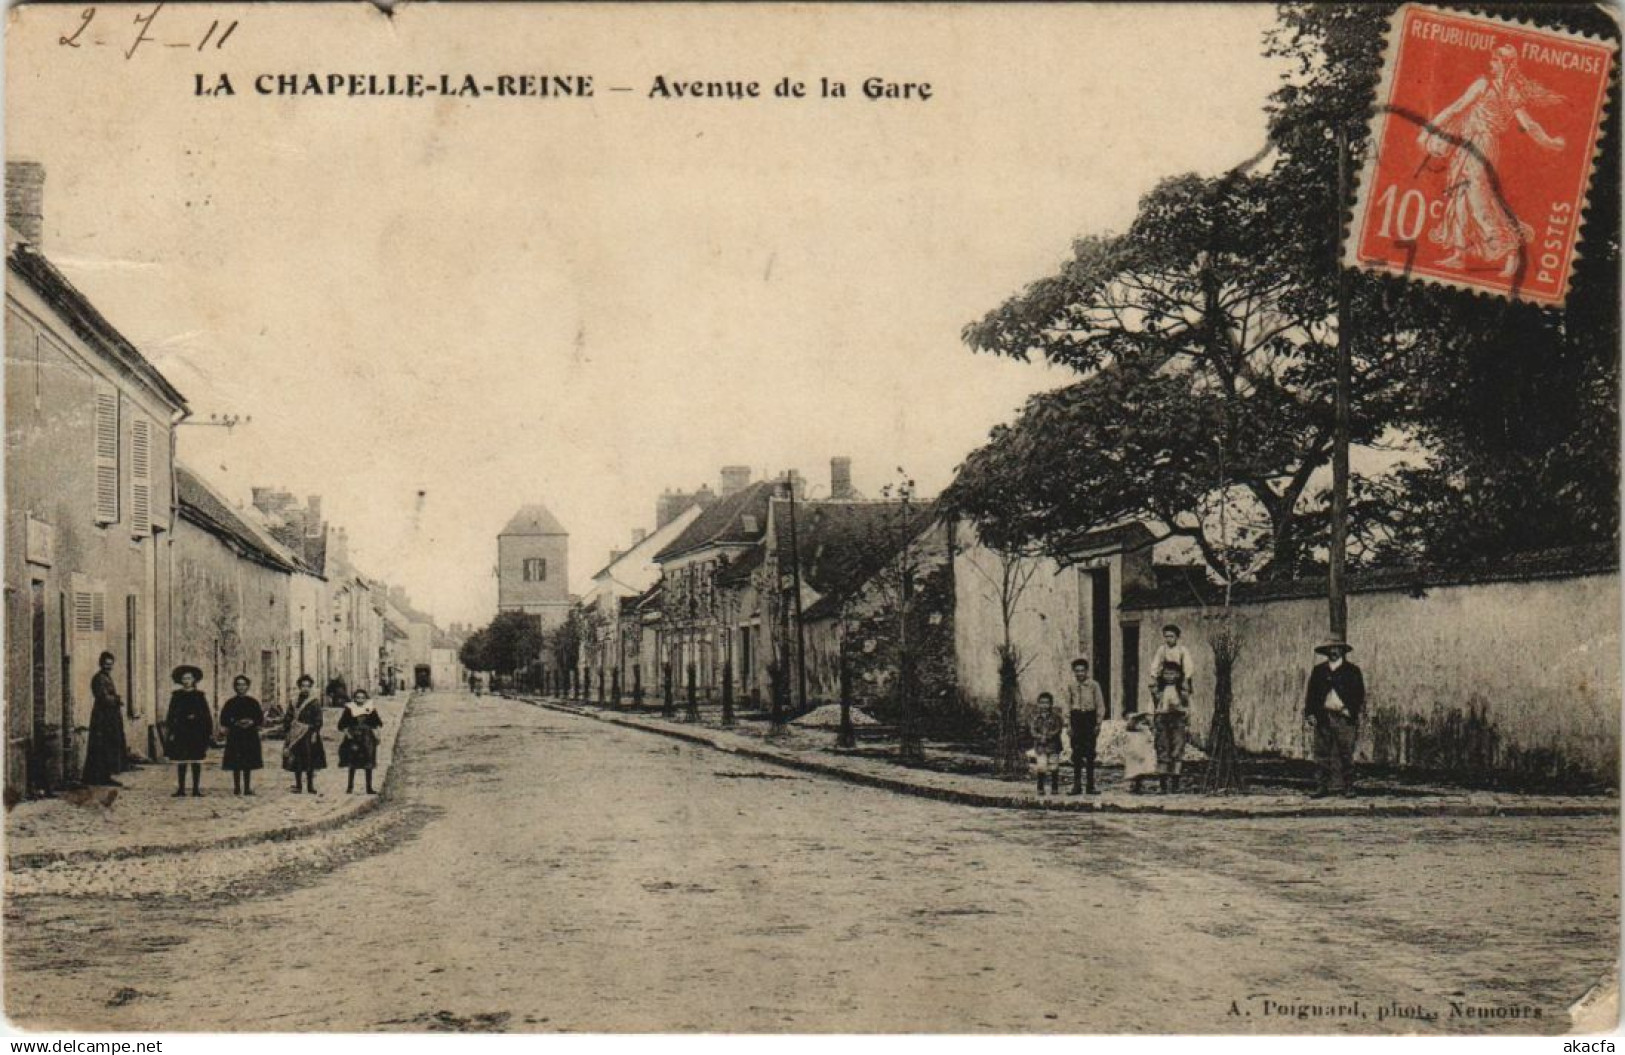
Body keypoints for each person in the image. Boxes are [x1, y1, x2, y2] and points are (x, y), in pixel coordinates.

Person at [1418, 44, 1566, 279]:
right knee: (1459, 198)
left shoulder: (1510, 92)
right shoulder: (1484, 84)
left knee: (1480, 200)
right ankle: (1458, 254)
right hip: (1466, 145)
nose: (1491, 64)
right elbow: (1457, 108)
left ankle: (1512, 250)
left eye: (1495, 61)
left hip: (1484, 147)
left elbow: (1528, 125)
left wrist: (1550, 142)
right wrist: (1430, 129)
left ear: (1505, 64)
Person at [1304, 639, 1366, 798]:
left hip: (1343, 717)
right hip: (1323, 716)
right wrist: (1310, 713)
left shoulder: (1352, 671)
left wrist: (1349, 710)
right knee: (1321, 753)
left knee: (1346, 752)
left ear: (1342, 651)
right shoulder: (1319, 671)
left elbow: (1359, 694)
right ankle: (1321, 786)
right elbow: (1311, 694)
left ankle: (1349, 786)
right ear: (1326, 651)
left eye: (1336, 648)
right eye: (1330, 648)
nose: (1333, 651)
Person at [1149, 624, 1193, 793]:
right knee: (1162, 747)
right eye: (1166, 636)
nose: (1168, 639)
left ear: (1177, 637)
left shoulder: (1182, 651)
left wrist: (1184, 680)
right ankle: (1163, 783)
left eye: (1171, 636)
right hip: (1163, 716)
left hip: (1177, 714)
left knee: (1177, 747)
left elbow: (1188, 669)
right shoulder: (1162, 650)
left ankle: (1175, 782)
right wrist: (1156, 677)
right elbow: (1155, 666)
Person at [165, 666, 213, 797]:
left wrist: (206, 728)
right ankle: (181, 789)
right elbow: (171, 713)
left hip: (196, 732)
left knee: (196, 760)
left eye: (189, 678)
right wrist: (171, 729)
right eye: (184, 678)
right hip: (182, 731)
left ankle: (196, 789)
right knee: (182, 760)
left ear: (194, 680)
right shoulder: (177, 696)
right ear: (180, 680)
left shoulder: (199, 696)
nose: (187, 681)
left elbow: (206, 714)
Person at [81, 651, 127, 787]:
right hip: (102, 718)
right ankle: (95, 777)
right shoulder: (99, 678)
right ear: (101, 663)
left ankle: (105, 776)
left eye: (111, 664)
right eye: (106, 664)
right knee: (100, 746)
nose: (109, 667)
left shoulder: (107, 677)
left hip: (110, 717)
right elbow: (103, 697)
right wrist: (117, 699)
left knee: (108, 746)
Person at [219, 675, 265, 796]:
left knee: (247, 762)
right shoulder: (230, 703)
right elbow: (224, 718)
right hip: (236, 735)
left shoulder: (253, 702)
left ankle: (247, 788)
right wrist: (235, 722)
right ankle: (237, 787)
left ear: (247, 686)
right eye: (238, 685)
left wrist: (252, 722)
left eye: (243, 685)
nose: (241, 687)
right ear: (235, 687)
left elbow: (259, 718)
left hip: (249, 735)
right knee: (236, 762)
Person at [282, 674, 327, 794]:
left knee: (310, 760)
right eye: (303, 686)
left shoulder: (314, 702)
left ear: (311, 687)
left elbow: (318, 720)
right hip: (296, 734)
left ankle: (310, 786)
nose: (305, 688)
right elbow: (288, 716)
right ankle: (298, 785)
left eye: (308, 686)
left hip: (308, 734)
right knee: (297, 760)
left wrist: (314, 731)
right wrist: (287, 730)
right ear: (299, 687)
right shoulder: (294, 701)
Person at [1066, 658, 1104, 795]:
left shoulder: (1094, 685)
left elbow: (1100, 704)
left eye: (1082, 670)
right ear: (1074, 672)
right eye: (1077, 671)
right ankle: (1076, 785)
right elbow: (1067, 705)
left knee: (1089, 753)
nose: (1080, 673)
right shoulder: (1071, 686)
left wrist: (1098, 723)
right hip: (1076, 719)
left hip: (1089, 718)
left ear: (1087, 671)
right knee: (1076, 754)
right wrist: (1068, 724)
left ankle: (1090, 785)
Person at [337, 689, 384, 795]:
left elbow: (378, 723)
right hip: (354, 738)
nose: (360, 700)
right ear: (354, 698)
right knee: (352, 762)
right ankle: (350, 787)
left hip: (367, 738)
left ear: (365, 698)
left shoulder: (370, 708)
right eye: (358, 697)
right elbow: (341, 725)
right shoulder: (349, 709)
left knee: (368, 762)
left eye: (362, 698)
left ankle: (369, 788)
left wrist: (377, 734)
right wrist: (348, 734)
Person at [1029, 692, 1063, 796]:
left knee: (1054, 766)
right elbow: (1033, 731)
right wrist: (1040, 737)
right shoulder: (1035, 718)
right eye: (1042, 703)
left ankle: (1054, 788)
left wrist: (1048, 736)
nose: (1044, 705)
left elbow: (1058, 729)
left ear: (1051, 704)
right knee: (1041, 766)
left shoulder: (1056, 717)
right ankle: (1040, 788)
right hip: (1041, 747)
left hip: (1053, 746)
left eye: (1047, 703)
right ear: (1038, 704)